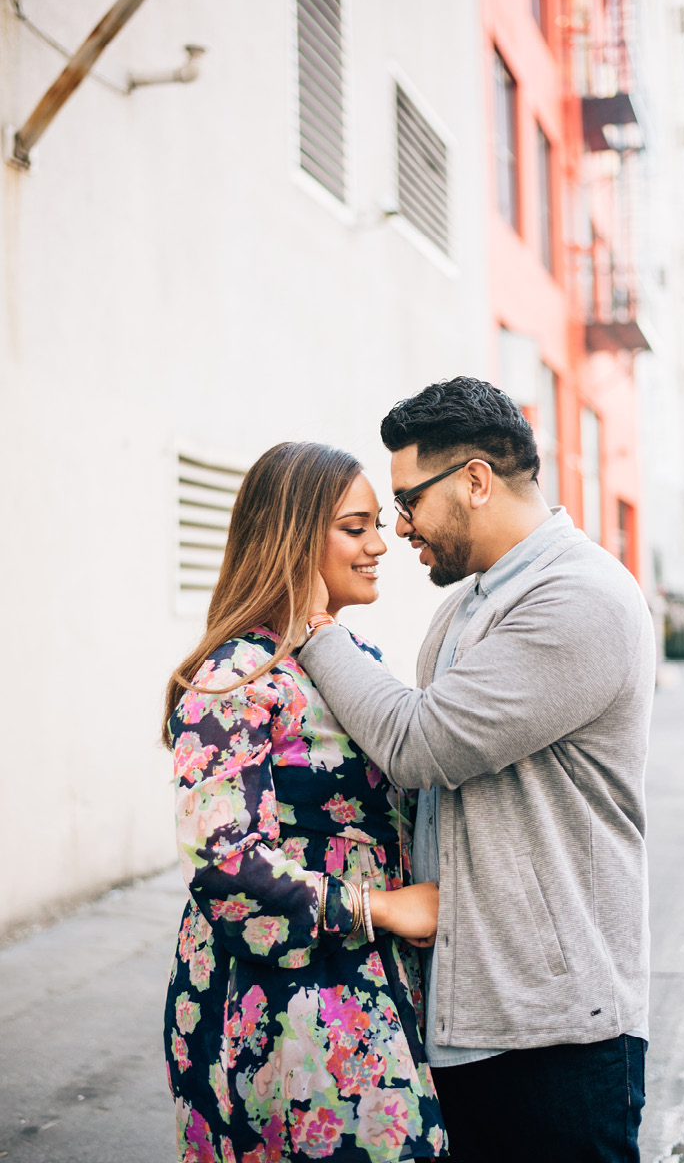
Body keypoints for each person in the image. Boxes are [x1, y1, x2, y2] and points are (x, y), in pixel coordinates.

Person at [300, 378, 656, 1163]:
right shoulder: (467, 606)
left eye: (407, 501)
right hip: (470, 1018)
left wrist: (314, 626)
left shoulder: (578, 597)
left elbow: (420, 744)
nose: (398, 529)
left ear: (474, 480)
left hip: (555, 1035)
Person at [162, 441, 448, 1163]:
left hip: (371, 981)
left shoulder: (346, 657)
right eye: (355, 528)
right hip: (284, 998)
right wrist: (380, 907)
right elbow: (224, 862)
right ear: (292, 535)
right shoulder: (235, 677)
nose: (380, 545)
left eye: (379, 525)